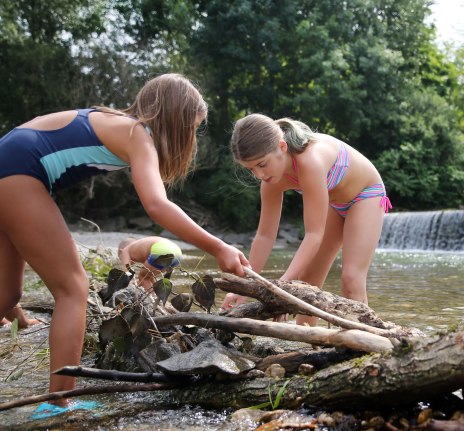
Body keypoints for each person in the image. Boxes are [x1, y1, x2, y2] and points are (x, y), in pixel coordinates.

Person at [0, 73, 249, 412]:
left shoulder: (120, 124)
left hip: (11, 164)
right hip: (18, 172)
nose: (192, 136)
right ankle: (57, 402)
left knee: (8, 295)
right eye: (192, 127)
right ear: (174, 120)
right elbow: (157, 204)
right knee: (73, 288)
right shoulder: (138, 134)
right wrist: (219, 247)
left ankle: (55, 396)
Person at [219, 114, 391, 326]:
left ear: (282, 147)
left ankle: (365, 344)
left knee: (351, 279)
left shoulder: (310, 161)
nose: (259, 175)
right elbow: (264, 236)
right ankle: (307, 343)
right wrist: (246, 288)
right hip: (334, 203)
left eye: (262, 164)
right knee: (308, 280)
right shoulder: (271, 182)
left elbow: (313, 235)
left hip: (366, 195)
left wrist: (280, 289)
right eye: (251, 169)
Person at [118, 236, 184, 290]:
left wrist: (129, 282)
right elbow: (150, 274)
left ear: (121, 251)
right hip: (177, 252)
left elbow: (126, 271)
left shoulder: (125, 250)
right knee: (148, 276)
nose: (122, 260)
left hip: (161, 250)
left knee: (143, 277)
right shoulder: (139, 246)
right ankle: (157, 298)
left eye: (121, 259)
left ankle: (151, 300)